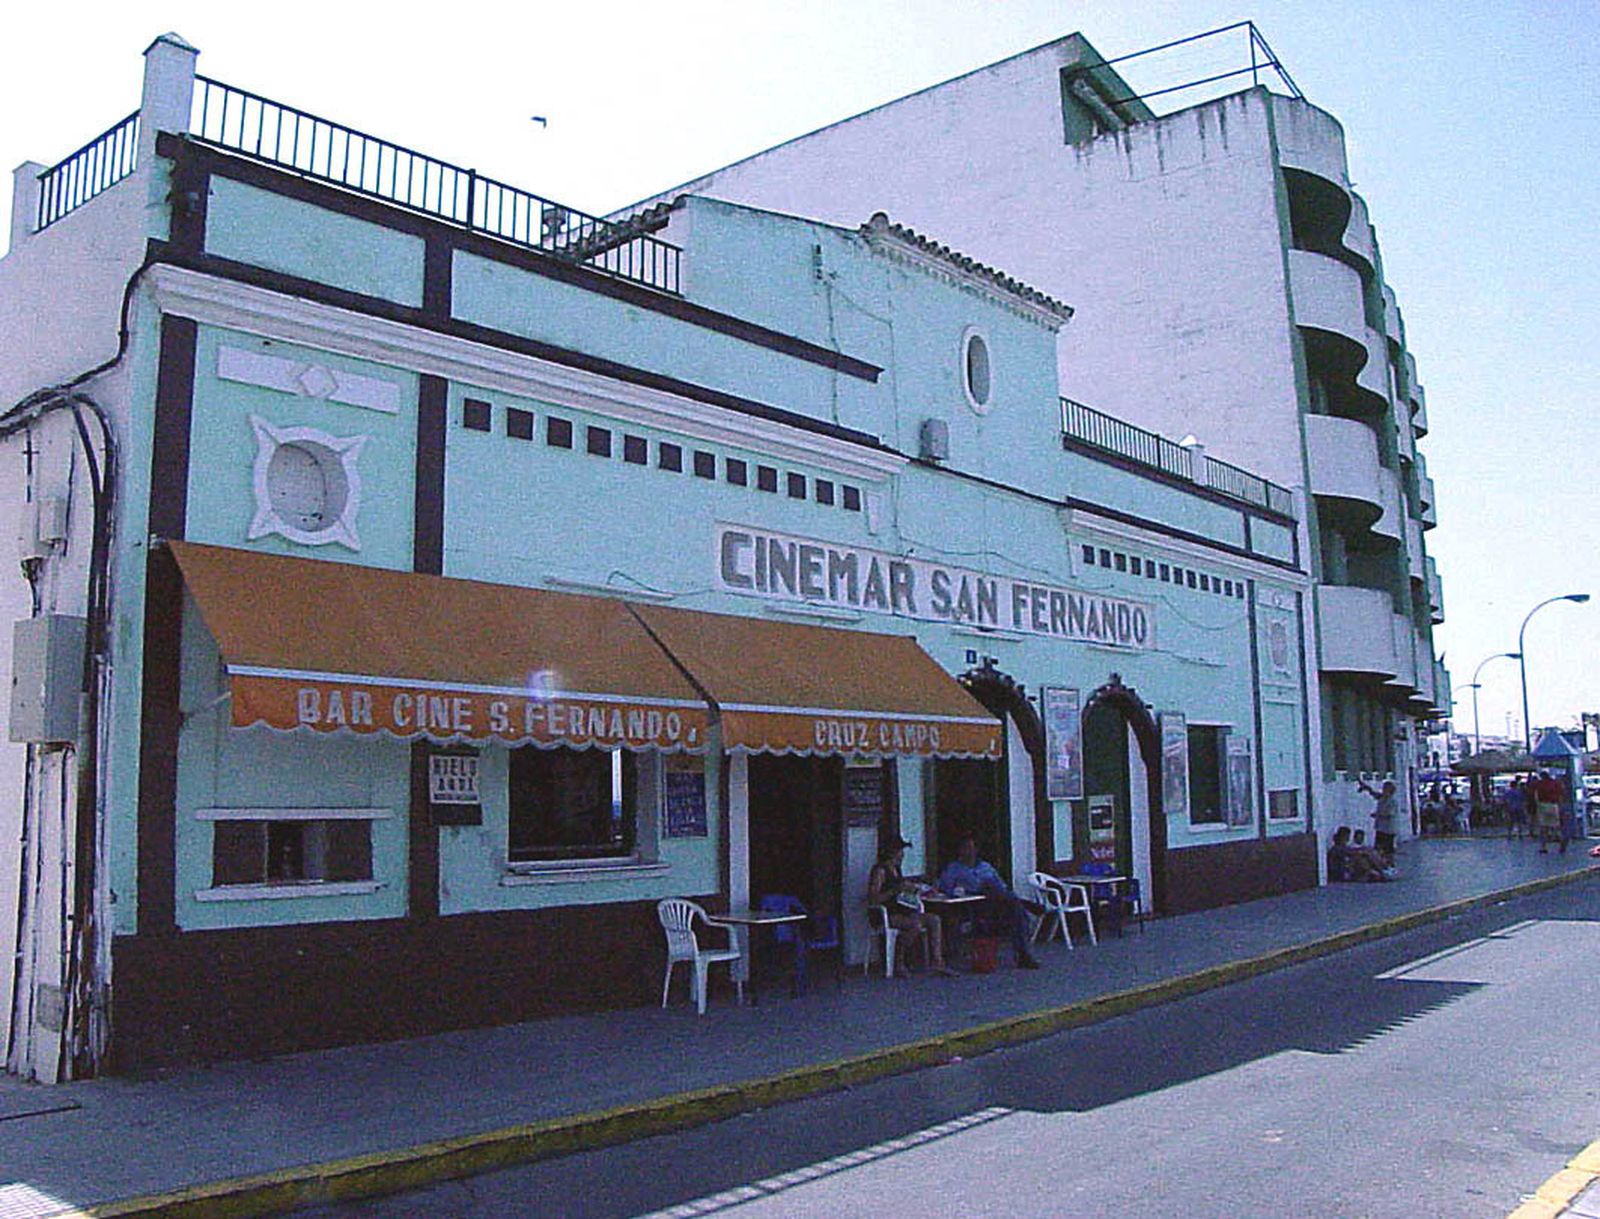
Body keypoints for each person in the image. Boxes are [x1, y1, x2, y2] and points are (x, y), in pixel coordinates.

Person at [938, 834, 1041, 970]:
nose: (969, 851)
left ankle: (1024, 954)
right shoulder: (955, 868)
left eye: (971, 848)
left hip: (997, 903)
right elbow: (944, 887)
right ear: (960, 850)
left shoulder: (985, 866)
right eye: (965, 848)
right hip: (975, 904)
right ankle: (1025, 904)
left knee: (1017, 912)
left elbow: (1002, 885)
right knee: (1001, 897)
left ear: (976, 850)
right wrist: (958, 890)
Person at [866, 836, 953, 975]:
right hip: (888, 914)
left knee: (934, 920)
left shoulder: (897, 869)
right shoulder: (880, 871)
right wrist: (895, 890)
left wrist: (916, 890)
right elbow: (873, 898)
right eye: (900, 851)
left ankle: (937, 961)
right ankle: (899, 959)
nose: (902, 855)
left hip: (905, 910)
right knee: (915, 925)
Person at [1356, 778, 1399, 863]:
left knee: (1387, 850)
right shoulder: (1383, 798)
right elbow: (1374, 794)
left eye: (1385, 789)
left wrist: (1377, 815)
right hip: (1380, 828)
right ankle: (1382, 863)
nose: (1383, 790)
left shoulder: (1392, 801)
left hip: (1388, 829)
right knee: (1379, 849)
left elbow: (1389, 814)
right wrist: (1366, 787)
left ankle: (1390, 864)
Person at [1530, 770, 1566, 854]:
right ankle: (1561, 843)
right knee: (1556, 827)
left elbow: (1534, 795)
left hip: (1543, 805)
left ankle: (1543, 847)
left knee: (1543, 828)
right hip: (1553, 806)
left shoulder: (1539, 784)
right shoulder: (1555, 783)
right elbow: (1561, 794)